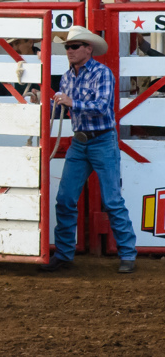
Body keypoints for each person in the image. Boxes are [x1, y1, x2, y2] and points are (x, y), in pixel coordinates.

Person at [39, 26, 137, 274]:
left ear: (88, 49)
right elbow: (67, 109)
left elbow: (103, 107)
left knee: (112, 201)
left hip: (102, 140)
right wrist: (53, 103)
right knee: (65, 199)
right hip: (81, 142)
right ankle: (63, 254)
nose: (69, 51)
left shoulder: (102, 73)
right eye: (67, 47)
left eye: (74, 46)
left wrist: (71, 102)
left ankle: (127, 254)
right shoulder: (66, 77)